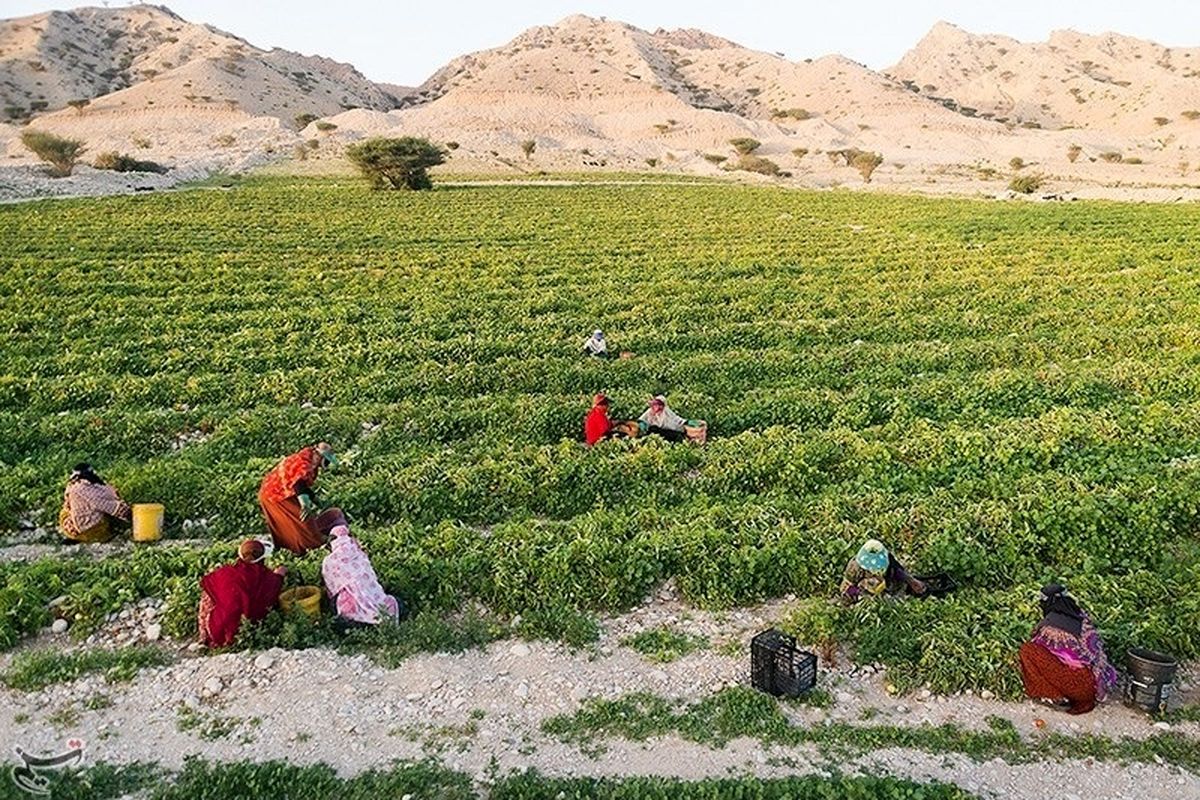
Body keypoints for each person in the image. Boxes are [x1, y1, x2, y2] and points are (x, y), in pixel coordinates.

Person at [1018, 583, 1117, 715]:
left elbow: (1039, 650)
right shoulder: (1083, 618)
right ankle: (1081, 698)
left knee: (1028, 651)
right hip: (1095, 686)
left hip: (1078, 686)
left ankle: (1051, 696)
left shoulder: (1050, 628)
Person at [259, 442, 344, 555]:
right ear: (319, 456)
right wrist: (305, 505)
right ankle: (313, 543)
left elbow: (303, 486)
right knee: (301, 519)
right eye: (326, 460)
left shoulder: (309, 461)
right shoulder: (303, 463)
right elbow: (298, 484)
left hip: (283, 492)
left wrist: (316, 500)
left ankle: (297, 545)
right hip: (274, 494)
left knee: (296, 521)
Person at [197, 539, 285, 648]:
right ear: (262, 558)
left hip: (218, 627)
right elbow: (273, 590)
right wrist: (280, 574)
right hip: (246, 629)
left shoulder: (225, 572)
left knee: (210, 594)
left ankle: (205, 635)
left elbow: (207, 582)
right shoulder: (268, 578)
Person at [321, 523, 400, 629]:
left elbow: (331, 588)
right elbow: (371, 576)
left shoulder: (330, 561)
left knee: (344, 612)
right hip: (372, 593)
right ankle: (377, 619)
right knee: (386, 602)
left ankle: (361, 622)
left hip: (349, 601)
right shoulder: (359, 554)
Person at [58, 463, 132, 543]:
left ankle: (76, 537)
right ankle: (88, 537)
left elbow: (68, 505)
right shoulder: (90, 488)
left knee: (66, 511)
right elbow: (106, 505)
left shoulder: (72, 486)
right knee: (107, 514)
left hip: (72, 527)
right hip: (92, 530)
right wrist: (130, 514)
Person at [839, 539, 926, 604]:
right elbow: (846, 588)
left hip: (886, 587)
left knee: (899, 589)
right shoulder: (855, 567)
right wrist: (861, 591)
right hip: (864, 592)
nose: (877, 572)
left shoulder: (887, 558)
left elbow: (897, 570)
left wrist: (911, 581)